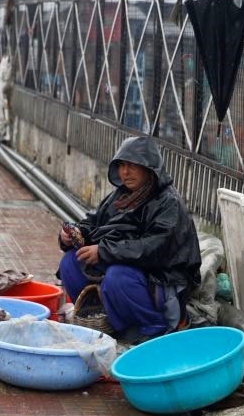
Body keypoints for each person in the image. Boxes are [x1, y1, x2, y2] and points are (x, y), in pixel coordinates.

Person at [57, 136, 202, 342]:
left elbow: (155, 247)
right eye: (122, 165)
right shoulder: (121, 196)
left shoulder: (167, 202)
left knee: (117, 277)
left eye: (133, 166)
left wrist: (104, 252)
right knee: (71, 262)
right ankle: (102, 317)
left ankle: (152, 327)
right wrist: (72, 234)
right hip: (126, 265)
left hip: (161, 276)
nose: (125, 172)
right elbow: (95, 222)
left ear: (149, 168)